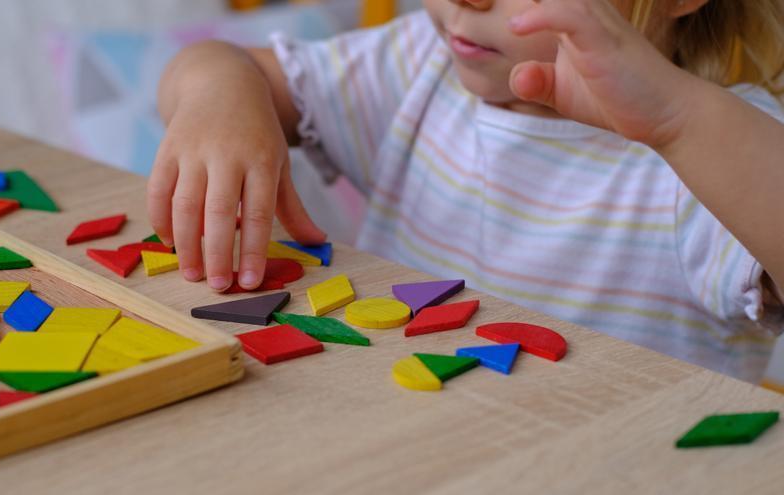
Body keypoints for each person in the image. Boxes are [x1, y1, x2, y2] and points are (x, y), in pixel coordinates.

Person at [149, 0, 784, 382]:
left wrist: (676, 123)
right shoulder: (419, 65)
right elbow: (220, 63)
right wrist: (218, 95)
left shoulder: (723, 147)